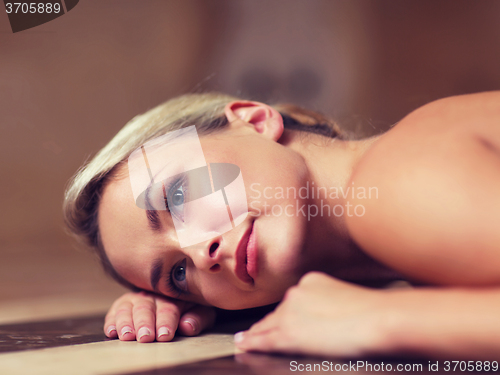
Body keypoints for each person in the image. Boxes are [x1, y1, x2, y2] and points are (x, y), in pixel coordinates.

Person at [63, 91, 500, 360]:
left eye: (177, 197)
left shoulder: (397, 179)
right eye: (178, 274)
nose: (201, 254)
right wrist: (192, 313)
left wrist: (377, 321)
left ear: (254, 121)